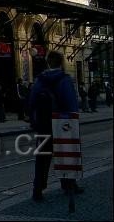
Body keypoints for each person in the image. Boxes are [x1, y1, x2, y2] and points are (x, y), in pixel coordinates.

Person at [29, 50, 82, 201]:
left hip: (44, 124)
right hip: (62, 124)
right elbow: (71, 103)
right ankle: (69, 185)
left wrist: (34, 120)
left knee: (42, 157)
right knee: (65, 155)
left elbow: (32, 101)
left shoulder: (40, 80)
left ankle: (37, 190)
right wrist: (73, 122)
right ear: (61, 63)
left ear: (48, 63)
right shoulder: (65, 79)